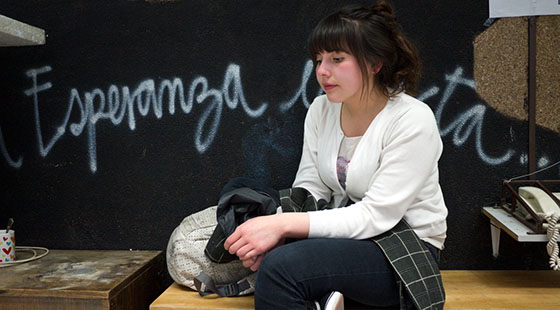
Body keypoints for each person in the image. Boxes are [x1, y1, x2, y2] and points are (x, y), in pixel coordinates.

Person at [224, 1, 448, 309]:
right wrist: (276, 233)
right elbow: (311, 189)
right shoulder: (322, 109)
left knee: (280, 270)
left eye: (337, 59)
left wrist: (281, 227)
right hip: (348, 237)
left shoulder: (412, 120)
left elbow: (376, 215)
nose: (322, 71)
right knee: (247, 203)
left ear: (374, 62)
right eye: (318, 60)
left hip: (404, 249)